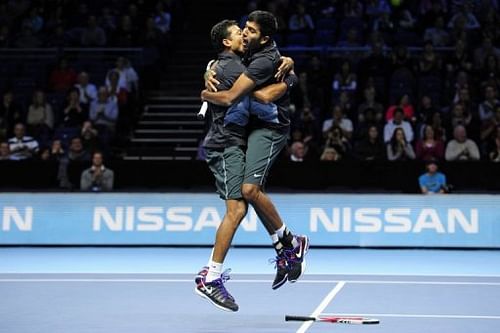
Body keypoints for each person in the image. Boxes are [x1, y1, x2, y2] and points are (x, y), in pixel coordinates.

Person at [201, 11, 309, 301]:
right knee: (246, 199)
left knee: (249, 192)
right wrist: (208, 77)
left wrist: (290, 74)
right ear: (228, 41)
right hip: (233, 138)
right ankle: (284, 247)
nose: (244, 33)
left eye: (249, 30)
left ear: (264, 38)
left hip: (265, 129)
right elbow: (235, 85)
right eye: (241, 30)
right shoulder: (239, 61)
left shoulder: (256, 60)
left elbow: (247, 96)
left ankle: (287, 243)